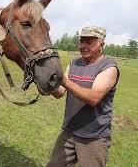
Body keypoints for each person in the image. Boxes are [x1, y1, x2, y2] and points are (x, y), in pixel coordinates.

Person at [47, 26, 120, 167]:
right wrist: (48, 83)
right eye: (82, 41)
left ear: (101, 44)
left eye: (89, 42)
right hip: (69, 131)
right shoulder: (74, 63)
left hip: (94, 137)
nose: (83, 46)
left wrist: (64, 80)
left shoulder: (109, 67)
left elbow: (93, 98)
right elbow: (60, 92)